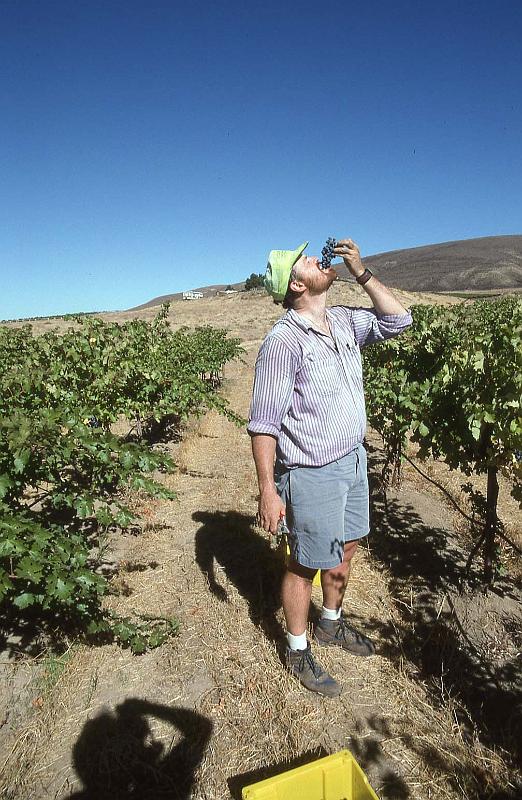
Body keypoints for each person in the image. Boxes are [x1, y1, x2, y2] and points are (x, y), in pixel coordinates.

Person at [247, 238, 413, 698]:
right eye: (306, 260)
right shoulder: (283, 342)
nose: (318, 259)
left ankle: (331, 624)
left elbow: (400, 319)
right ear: (298, 282)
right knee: (304, 563)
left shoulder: (342, 321)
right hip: (311, 471)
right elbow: (262, 425)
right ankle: (297, 650)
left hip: (353, 459)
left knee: (348, 545)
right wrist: (268, 490)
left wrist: (360, 269)